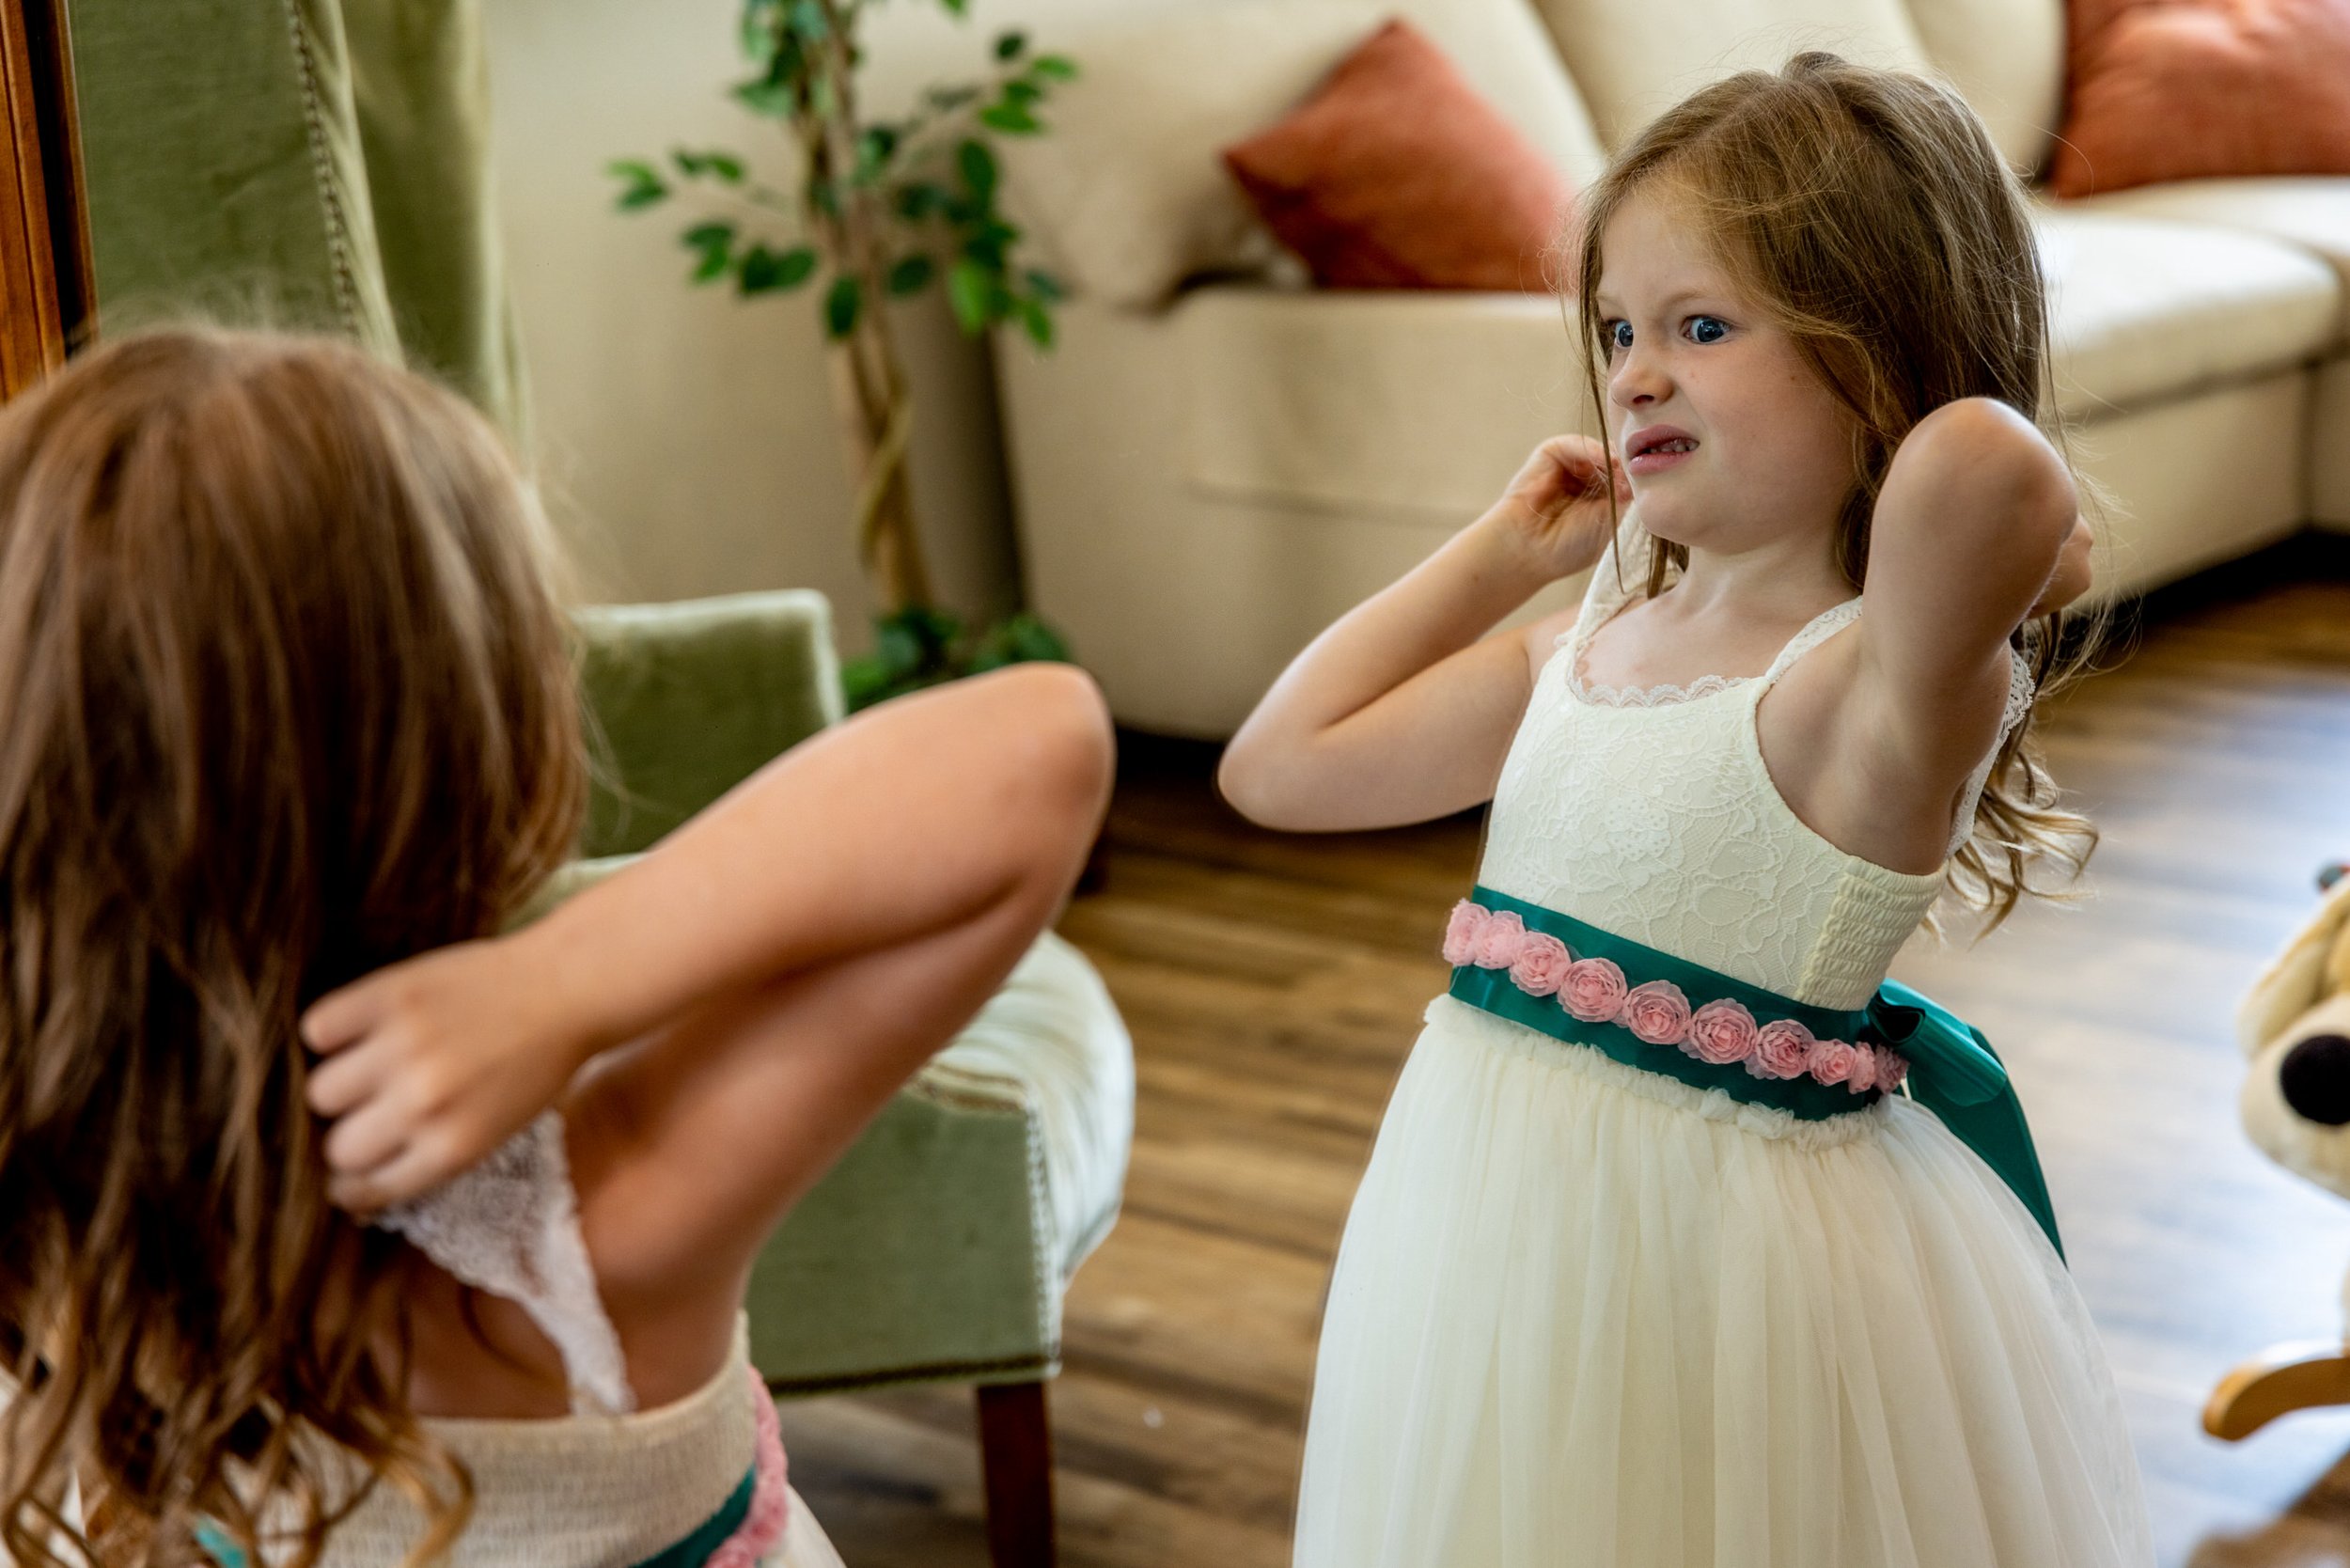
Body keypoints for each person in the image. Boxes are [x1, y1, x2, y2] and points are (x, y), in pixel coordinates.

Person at [1219, 54, 2151, 1567]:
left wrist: (2015, 548)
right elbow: (1281, 766)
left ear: (1883, 356)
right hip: (1494, 1233)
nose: (1635, 372)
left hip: (1728, 1276)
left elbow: (1986, 468)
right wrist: (1499, 553)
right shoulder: (1578, 649)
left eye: (1703, 327)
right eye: (1617, 330)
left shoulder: (1868, 692)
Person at [0, 327, 1113, 1566]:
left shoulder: (44, 1215)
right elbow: (1042, 747)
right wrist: (561, 982)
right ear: (479, 744)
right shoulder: (581, 1233)